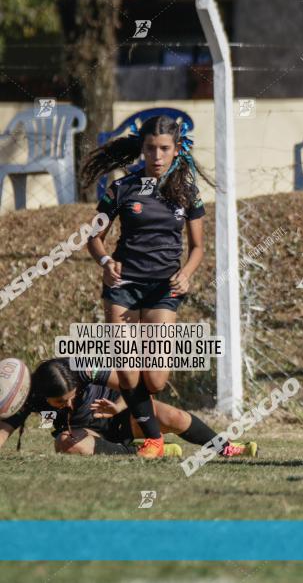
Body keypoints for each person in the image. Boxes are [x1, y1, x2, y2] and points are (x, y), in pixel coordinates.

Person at [81, 116, 210, 459]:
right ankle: (152, 440)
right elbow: (93, 236)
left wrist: (187, 273)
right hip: (123, 287)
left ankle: (144, 425)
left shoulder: (188, 192)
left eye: (164, 149)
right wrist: (106, 263)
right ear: (142, 148)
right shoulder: (122, 188)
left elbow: (197, 247)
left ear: (176, 149)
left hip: (163, 290)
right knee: (127, 369)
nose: (156, 155)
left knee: (154, 380)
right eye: (150, 148)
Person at [0, 358, 256, 459]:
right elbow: (4, 430)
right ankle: (143, 452)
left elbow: (131, 385)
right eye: (60, 403)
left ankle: (226, 447)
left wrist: (119, 406)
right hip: (88, 434)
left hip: (122, 417)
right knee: (66, 443)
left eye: (72, 397)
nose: (68, 404)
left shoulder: (82, 368)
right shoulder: (31, 396)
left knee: (173, 416)